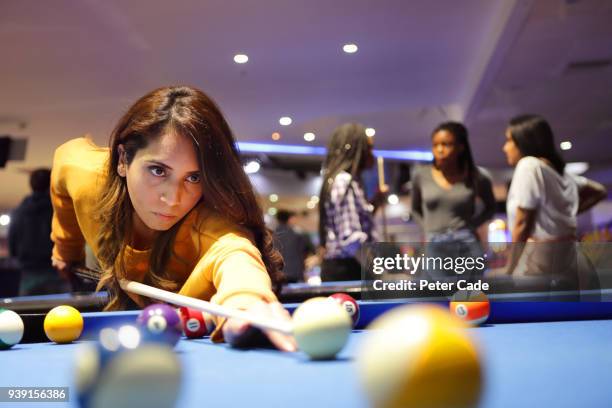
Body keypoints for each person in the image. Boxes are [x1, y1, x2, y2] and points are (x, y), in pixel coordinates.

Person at [50, 86, 295, 351]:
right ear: (123, 160)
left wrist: (246, 302)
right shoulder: (86, 175)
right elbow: (64, 159)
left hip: (189, 329)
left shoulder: (210, 228)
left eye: (193, 177)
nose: (174, 199)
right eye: (158, 170)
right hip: (122, 304)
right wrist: (66, 248)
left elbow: (236, 256)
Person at [502, 114, 606, 288]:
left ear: (523, 141)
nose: (505, 147)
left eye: (509, 140)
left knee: (531, 314)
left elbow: (522, 223)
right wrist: (570, 211)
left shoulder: (529, 165)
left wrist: (510, 267)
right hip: (572, 259)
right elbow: (600, 191)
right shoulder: (561, 173)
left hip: (539, 262)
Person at [411, 122, 496, 280]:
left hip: (466, 243)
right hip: (435, 243)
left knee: (470, 298)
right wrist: (427, 228)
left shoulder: (476, 176)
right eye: (435, 145)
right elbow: (415, 209)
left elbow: (491, 207)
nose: (440, 150)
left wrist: (472, 225)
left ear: (461, 147)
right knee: (432, 297)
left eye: (446, 144)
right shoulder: (421, 175)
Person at [318, 123, 386, 281]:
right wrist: (381, 274)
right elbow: (351, 240)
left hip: (344, 267)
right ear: (357, 150)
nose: (372, 154)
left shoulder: (342, 180)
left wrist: (376, 201)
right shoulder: (344, 181)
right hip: (348, 269)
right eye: (369, 148)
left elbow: (354, 225)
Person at [8, 168, 69, 295]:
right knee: (60, 313)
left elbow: (12, 246)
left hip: (28, 275)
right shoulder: (58, 210)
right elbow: (66, 238)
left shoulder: (19, 212)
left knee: (27, 313)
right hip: (56, 272)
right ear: (51, 184)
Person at [273, 210, 312, 283]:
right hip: (296, 273)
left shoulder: (271, 236)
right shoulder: (299, 234)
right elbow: (308, 250)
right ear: (289, 219)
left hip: (277, 274)